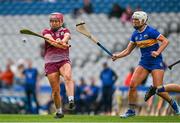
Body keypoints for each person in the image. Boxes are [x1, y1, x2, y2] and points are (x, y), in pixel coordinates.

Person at [112, 11, 180, 118]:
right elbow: (127, 51)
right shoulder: (135, 34)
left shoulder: (151, 31)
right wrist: (117, 55)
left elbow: (165, 41)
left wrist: (157, 52)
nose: (134, 22)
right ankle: (131, 111)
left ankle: (173, 104)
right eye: (133, 20)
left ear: (143, 21)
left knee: (159, 89)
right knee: (132, 85)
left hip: (156, 62)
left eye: (136, 20)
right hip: (144, 63)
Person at [42, 12, 75, 118]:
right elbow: (52, 42)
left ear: (61, 22)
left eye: (56, 21)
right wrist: (57, 43)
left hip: (63, 60)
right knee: (55, 90)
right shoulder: (46, 32)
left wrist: (63, 41)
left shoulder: (66, 31)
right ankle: (59, 111)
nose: (54, 23)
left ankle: (71, 100)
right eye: (52, 21)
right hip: (50, 63)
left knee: (68, 76)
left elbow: (66, 37)